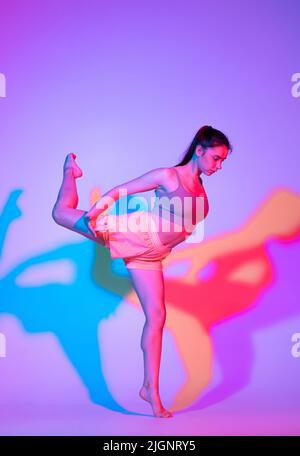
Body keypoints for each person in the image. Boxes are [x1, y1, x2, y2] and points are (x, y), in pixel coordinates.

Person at [52, 125, 232, 418]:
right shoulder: (168, 175)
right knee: (61, 213)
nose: (219, 165)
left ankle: (150, 389)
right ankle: (70, 172)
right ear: (199, 150)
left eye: (223, 161)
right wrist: (98, 210)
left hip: (152, 255)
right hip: (137, 234)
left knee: (157, 316)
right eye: (216, 158)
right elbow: (124, 190)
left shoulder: (201, 190)